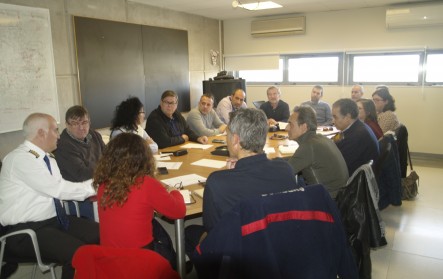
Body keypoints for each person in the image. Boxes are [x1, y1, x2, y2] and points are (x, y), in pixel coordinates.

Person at [185, 108, 298, 258]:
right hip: (279, 247)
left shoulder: (217, 182)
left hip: (239, 257)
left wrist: (227, 175)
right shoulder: (286, 169)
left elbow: (213, 231)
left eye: (228, 135)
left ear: (236, 140)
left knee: (188, 232)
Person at [0, 113, 99, 279]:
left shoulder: (48, 159)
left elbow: (60, 189)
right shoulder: (20, 159)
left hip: (54, 221)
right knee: (80, 255)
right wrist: (97, 185)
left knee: (101, 234)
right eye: (55, 130)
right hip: (25, 231)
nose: (59, 135)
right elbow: (59, 190)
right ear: (41, 133)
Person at [93, 133, 186, 267]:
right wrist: (175, 192)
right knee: (164, 241)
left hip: (110, 258)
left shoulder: (104, 184)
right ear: (143, 157)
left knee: (156, 225)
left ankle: (174, 261)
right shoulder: (146, 184)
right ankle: (176, 265)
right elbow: (179, 211)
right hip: (139, 258)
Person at [285, 106, 349, 199]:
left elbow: (284, 174)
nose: (287, 128)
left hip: (326, 200)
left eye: (290, 124)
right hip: (341, 195)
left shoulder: (308, 147)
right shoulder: (321, 138)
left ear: (304, 127)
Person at [54, 105, 105, 220]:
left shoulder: (95, 135)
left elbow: (110, 158)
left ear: (89, 122)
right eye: (75, 123)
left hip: (100, 187)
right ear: (67, 125)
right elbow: (82, 174)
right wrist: (106, 167)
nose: (81, 127)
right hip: (81, 199)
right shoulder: (63, 145)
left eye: (84, 122)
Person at [332, 99, 380, 175]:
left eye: (335, 117)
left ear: (347, 117)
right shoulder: (357, 126)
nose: (333, 121)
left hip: (354, 181)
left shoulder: (357, 136)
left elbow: (339, 165)